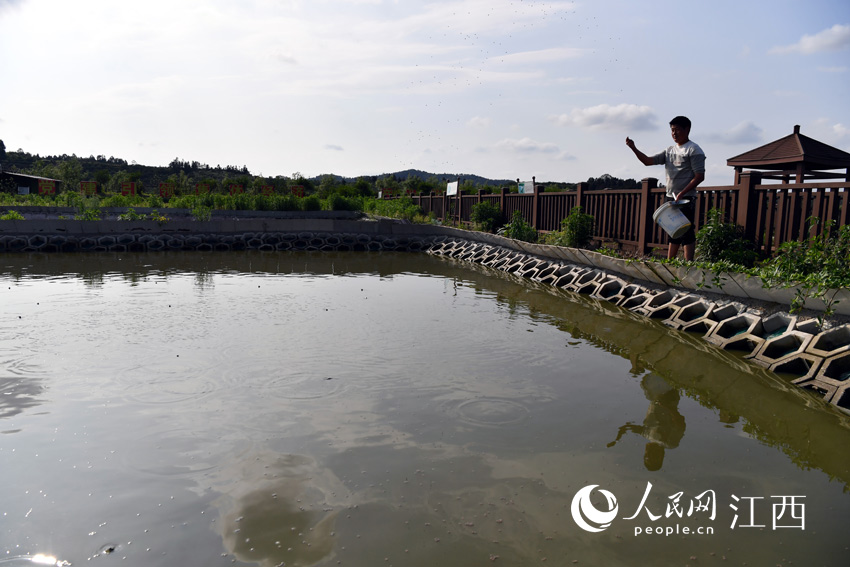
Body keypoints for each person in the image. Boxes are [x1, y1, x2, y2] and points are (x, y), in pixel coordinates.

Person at [626, 116, 705, 260]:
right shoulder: (669, 151)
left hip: (685, 198)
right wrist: (633, 148)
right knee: (673, 231)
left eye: (677, 130)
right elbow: (648, 161)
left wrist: (683, 193)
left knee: (686, 231)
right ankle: (670, 263)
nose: (674, 133)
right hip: (671, 197)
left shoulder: (694, 150)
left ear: (687, 129)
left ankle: (689, 265)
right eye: (672, 130)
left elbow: (699, 176)